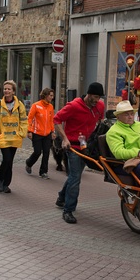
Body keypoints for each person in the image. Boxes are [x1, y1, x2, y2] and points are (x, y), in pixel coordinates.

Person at [53, 82, 105, 224]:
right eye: (95, 96)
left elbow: (101, 121)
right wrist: (64, 138)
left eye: (99, 97)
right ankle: (68, 210)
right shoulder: (74, 106)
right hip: (72, 146)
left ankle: (61, 198)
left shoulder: (100, 106)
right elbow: (56, 120)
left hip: (86, 147)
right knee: (75, 178)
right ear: (88, 94)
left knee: (75, 177)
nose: (97, 100)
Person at [0, 80, 28, 194]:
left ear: (13, 91)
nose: (6, 91)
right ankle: (0, 179)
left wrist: (21, 133)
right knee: (6, 159)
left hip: (15, 137)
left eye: (9, 89)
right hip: (3, 137)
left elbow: (24, 120)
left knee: (10, 162)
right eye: (5, 89)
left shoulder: (19, 104)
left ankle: (6, 184)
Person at [25, 88, 56, 179]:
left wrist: (52, 131)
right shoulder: (36, 105)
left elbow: (51, 120)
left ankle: (43, 172)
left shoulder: (50, 107)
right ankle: (29, 163)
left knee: (46, 152)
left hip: (47, 134)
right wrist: (29, 131)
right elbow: (30, 118)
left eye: (52, 96)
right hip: (37, 133)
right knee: (37, 152)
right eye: (50, 95)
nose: (52, 97)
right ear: (45, 95)